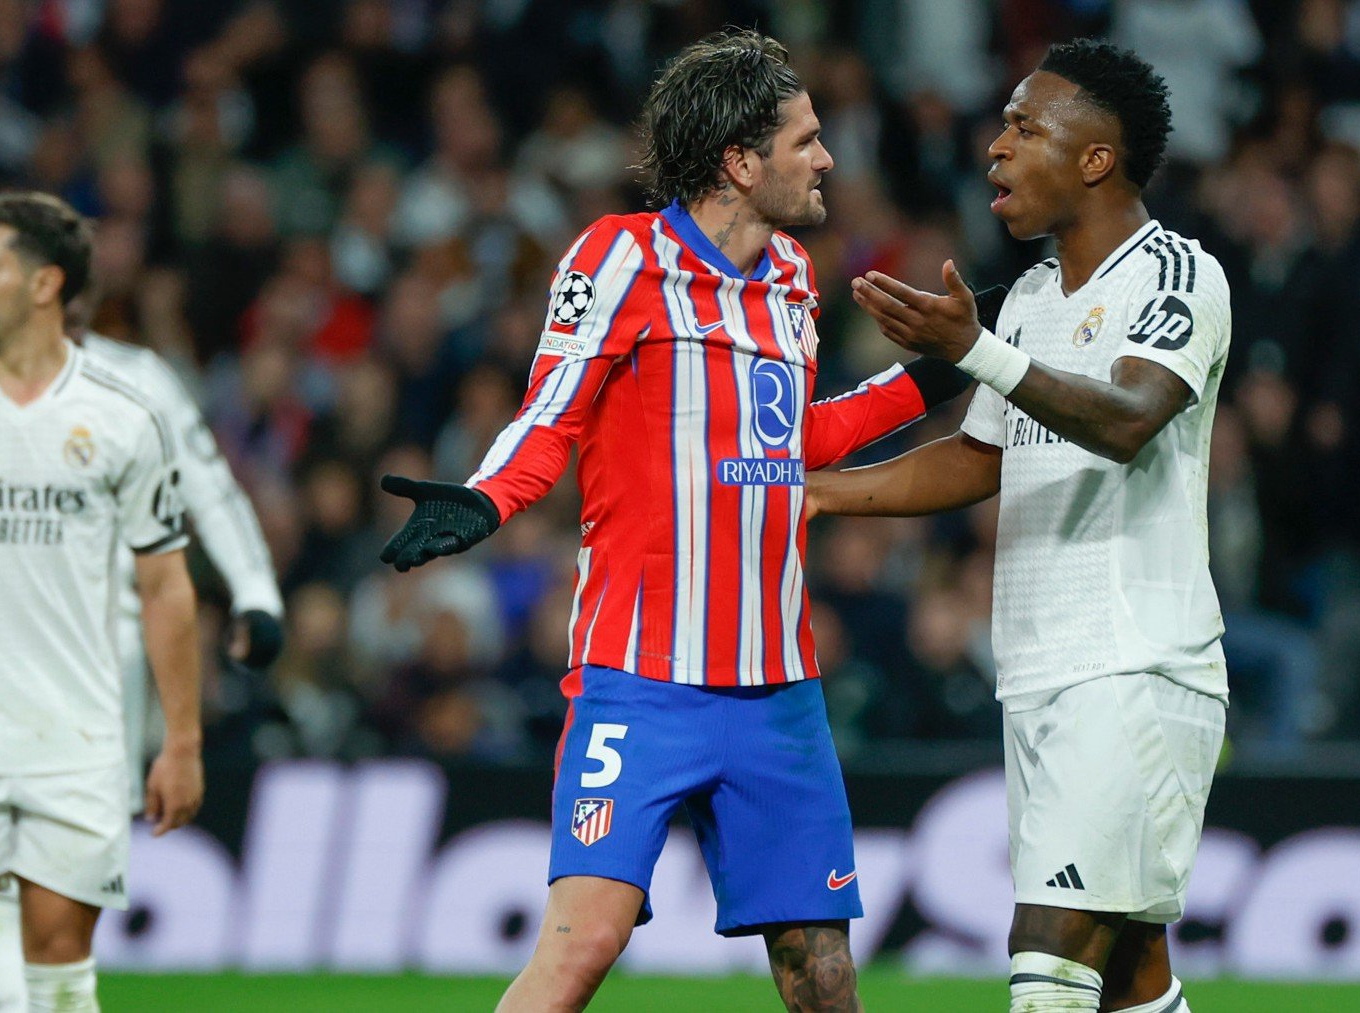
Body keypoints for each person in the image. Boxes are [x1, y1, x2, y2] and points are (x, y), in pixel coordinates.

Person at [374, 30, 967, 1013]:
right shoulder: (620, 256)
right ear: (741, 160)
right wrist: (488, 495)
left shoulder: (789, 281)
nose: (827, 159)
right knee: (584, 943)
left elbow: (793, 439)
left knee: (822, 972)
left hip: (779, 689)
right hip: (640, 682)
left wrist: (942, 368)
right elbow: (552, 408)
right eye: (806, 140)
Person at [813, 39, 1229, 1013]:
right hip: (1040, 668)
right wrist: (823, 493)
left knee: (1048, 962)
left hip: (1133, 662)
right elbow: (980, 456)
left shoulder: (1177, 275)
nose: (994, 148)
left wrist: (978, 351)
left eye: (1024, 127)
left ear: (1097, 158)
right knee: (1130, 972)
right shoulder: (1036, 299)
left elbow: (1127, 418)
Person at [0, 192, 203, 1011]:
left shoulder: (125, 416)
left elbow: (165, 582)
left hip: (79, 733)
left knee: (60, 957)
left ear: (43, 284)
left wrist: (182, 740)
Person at [0, 328, 285, 1011]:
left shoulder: (138, 378)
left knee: (63, 892)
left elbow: (210, 487)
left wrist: (256, 591)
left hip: (99, 653)